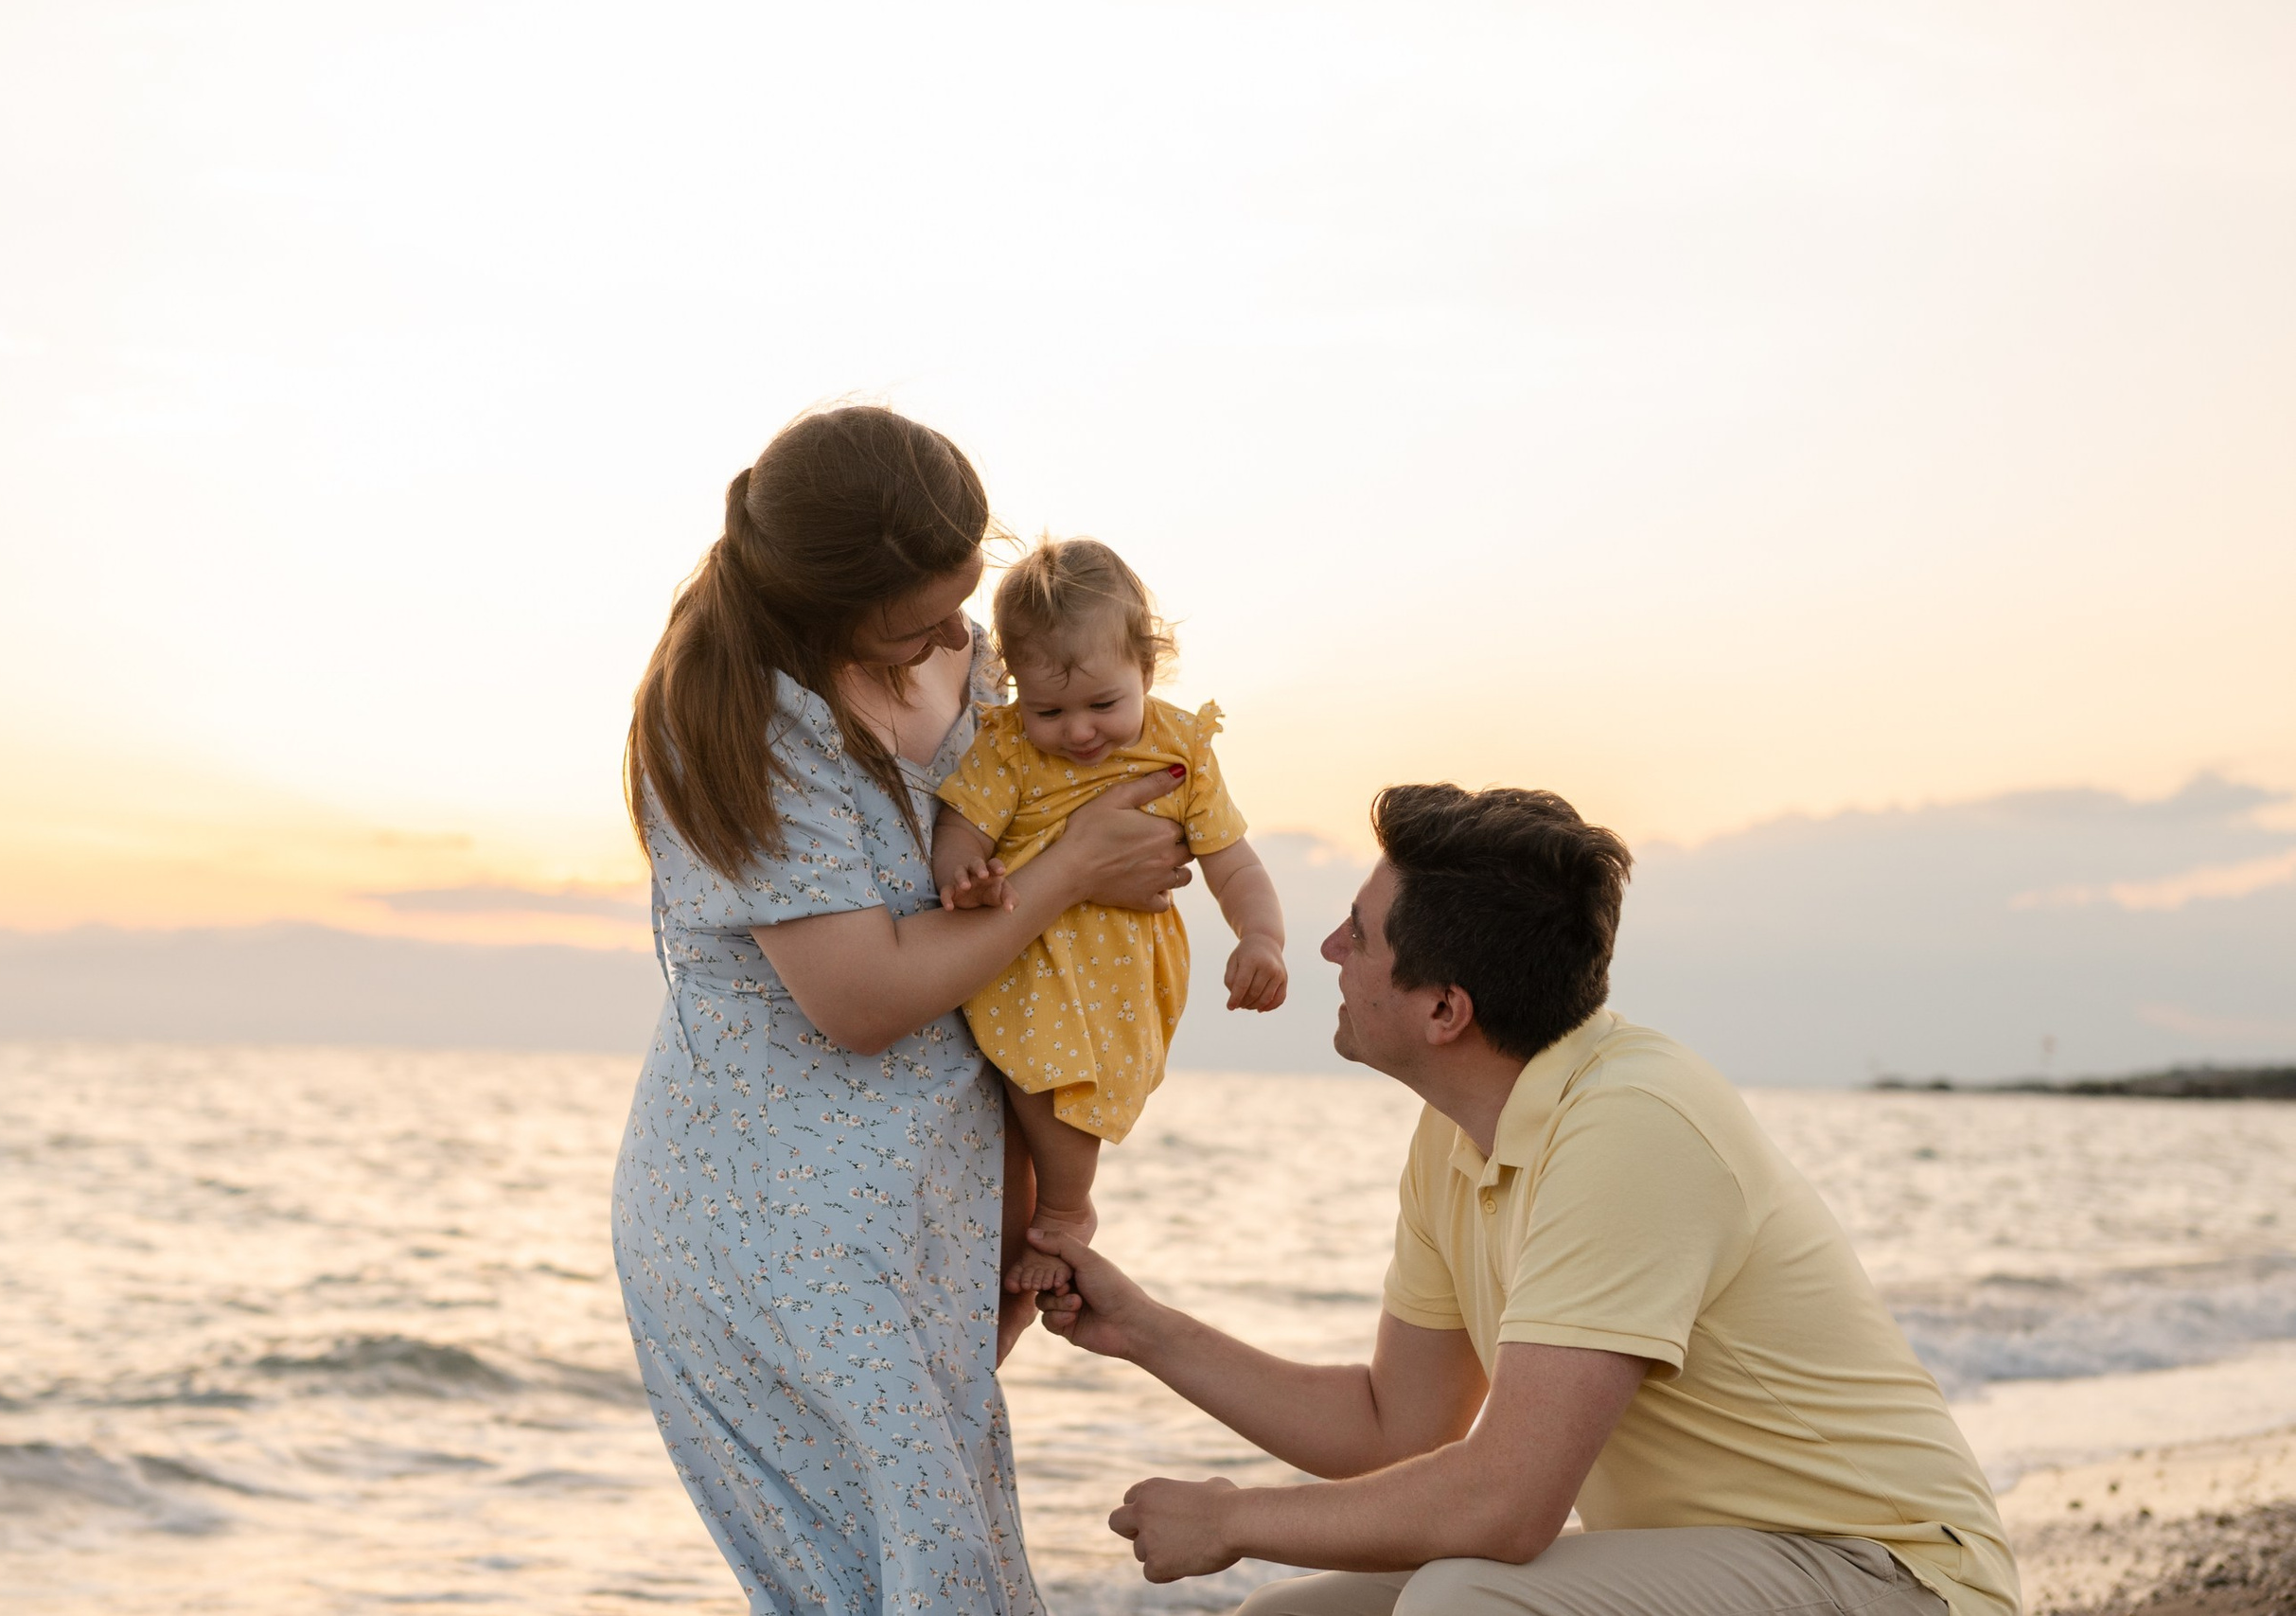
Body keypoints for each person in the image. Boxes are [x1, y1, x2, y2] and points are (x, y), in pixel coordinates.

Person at [1037, 783, 2022, 1616]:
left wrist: (1234, 1520)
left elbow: (1508, 1504)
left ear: (1443, 1010)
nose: (1330, 949)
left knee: (1463, 1604)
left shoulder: (1633, 1123)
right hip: (1730, 1566)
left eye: (1360, 932)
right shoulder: (1460, 1130)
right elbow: (1392, 1426)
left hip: (1892, 1575)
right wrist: (1141, 1329)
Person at [610, 406, 1194, 1616]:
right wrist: (1076, 869)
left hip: (929, 1192)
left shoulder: (961, 654)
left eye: (963, 595)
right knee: (914, 1583)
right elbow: (864, 999)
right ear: (824, 603)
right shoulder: (738, 720)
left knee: (943, 1568)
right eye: (920, 617)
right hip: (775, 1208)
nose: (955, 634)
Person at [930, 538, 1289, 1297]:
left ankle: (1065, 1212)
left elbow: (1231, 860)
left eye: (1103, 704)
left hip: (1120, 967)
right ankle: (1034, 1228)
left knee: (1065, 1086)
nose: (1079, 731)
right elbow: (963, 822)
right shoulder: (1009, 750)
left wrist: (1262, 936)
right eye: (1048, 709)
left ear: (1147, 672)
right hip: (1026, 954)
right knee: (1025, 1087)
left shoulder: (1180, 751)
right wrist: (960, 869)